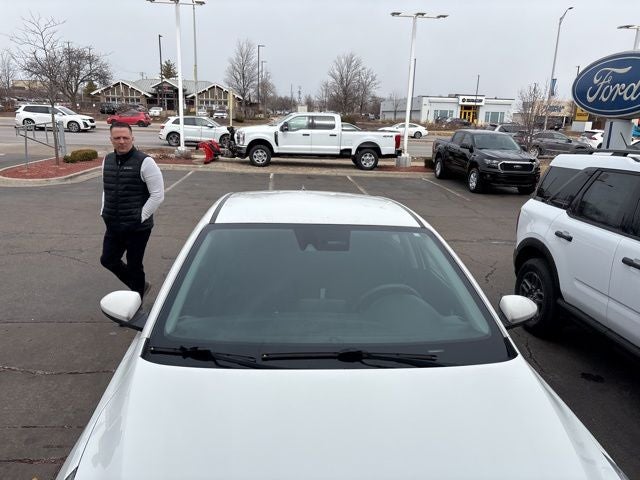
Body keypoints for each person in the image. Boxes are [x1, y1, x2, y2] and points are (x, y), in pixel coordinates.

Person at [100, 121, 164, 299]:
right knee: (108, 259)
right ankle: (140, 286)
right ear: (111, 139)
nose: (121, 141)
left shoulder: (145, 162)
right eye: (117, 138)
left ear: (132, 138)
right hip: (113, 223)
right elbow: (107, 189)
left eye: (125, 137)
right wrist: (104, 210)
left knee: (134, 264)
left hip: (137, 227)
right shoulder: (107, 160)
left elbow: (157, 195)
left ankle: (136, 303)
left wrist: (140, 217)